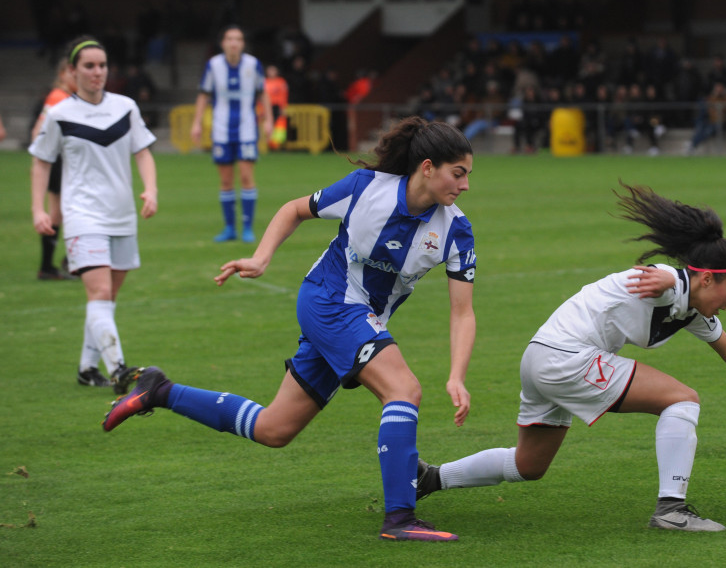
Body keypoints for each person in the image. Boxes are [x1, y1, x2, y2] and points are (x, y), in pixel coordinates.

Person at [103, 117, 477, 542]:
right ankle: (400, 518)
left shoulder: (455, 229)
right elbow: (294, 209)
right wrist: (261, 258)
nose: (464, 185)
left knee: (273, 429)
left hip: (357, 320)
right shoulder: (365, 188)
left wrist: (456, 375)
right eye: (458, 173)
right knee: (403, 390)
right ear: (427, 167)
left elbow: (462, 312)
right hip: (328, 300)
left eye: (467, 175)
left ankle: (159, 390)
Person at [415, 183, 726, 533]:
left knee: (529, 464)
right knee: (682, 399)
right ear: (705, 278)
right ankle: (672, 510)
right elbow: (665, 280)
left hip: (541, 359)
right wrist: (672, 276)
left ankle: (430, 477)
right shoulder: (667, 283)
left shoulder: (692, 309)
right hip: (567, 358)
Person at [29, 36, 158, 391]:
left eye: (102, 65)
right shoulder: (59, 114)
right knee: (99, 292)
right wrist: (38, 209)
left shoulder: (125, 107)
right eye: (89, 65)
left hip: (122, 215)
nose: (97, 72)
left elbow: (143, 152)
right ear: (72, 71)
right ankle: (120, 371)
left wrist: (151, 189)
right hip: (82, 216)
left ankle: (88, 369)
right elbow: (41, 162)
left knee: (106, 299)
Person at [191, 25, 273, 244]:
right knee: (226, 181)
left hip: (247, 129)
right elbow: (203, 95)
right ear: (223, 43)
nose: (234, 43)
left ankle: (247, 227)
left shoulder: (253, 64)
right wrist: (196, 122)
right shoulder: (214, 65)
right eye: (229, 39)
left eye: (238, 39)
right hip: (221, 130)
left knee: (246, 177)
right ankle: (229, 228)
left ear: (242, 43)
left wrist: (268, 121)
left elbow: (263, 93)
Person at [31, 57, 79, 281]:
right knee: (64, 212)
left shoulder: (67, 97)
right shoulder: (58, 98)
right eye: (73, 73)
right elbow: (39, 132)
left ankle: (57, 264)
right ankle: (65, 263)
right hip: (59, 162)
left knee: (61, 213)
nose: (77, 78)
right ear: (62, 74)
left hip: (61, 161)